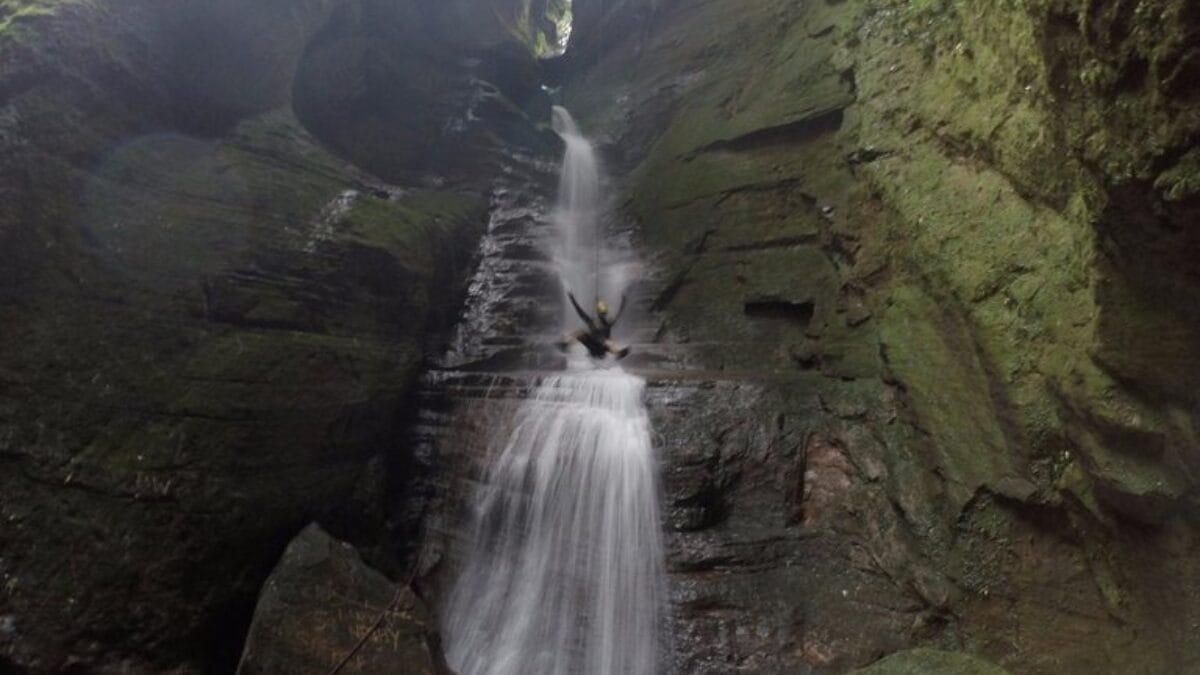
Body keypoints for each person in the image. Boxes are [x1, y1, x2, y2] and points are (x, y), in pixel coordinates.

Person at [559, 292, 630, 359]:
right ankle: (566, 345)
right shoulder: (592, 322)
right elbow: (580, 311)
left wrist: (623, 301)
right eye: (601, 314)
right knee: (580, 332)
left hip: (602, 350)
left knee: (607, 342)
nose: (601, 316)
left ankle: (618, 353)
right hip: (593, 348)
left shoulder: (608, 323)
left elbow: (619, 314)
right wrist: (572, 299)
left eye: (602, 314)